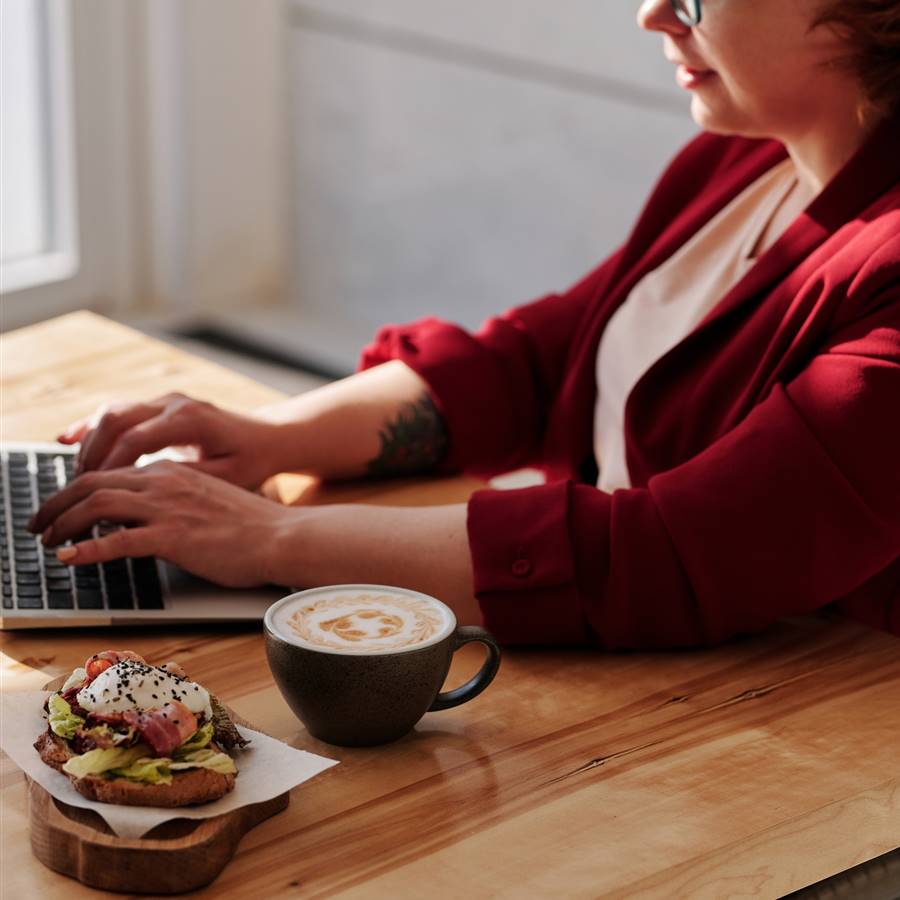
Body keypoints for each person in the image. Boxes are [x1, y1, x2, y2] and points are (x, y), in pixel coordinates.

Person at [30, 0, 900, 648]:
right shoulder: (746, 152)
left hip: (795, 764)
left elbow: (677, 554)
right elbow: (541, 360)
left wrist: (268, 538)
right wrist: (270, 438)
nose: (654, 15)